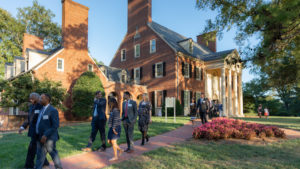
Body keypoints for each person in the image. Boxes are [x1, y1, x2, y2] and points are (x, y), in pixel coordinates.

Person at [19, 93, 49, 169]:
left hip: (39, 132)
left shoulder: (42, 106)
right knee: (36, 149)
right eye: (30, 98)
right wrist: (23, 126)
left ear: (37, 98)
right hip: (33, 132)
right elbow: (29, 119)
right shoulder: (32, 107)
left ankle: (29, 166)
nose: (30, 100)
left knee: (32, 149)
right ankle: (44, 163)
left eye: (32, 98)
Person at [35, 93, 62, 169]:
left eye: (41, 98)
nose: (40, 100)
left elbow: (55, 125)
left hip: (49, 137)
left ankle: (59, 167)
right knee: (40, 155)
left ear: (47, 99)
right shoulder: (41, 110)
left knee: (53, 153)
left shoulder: (53, 110)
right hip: (40, 136)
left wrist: (45, 135)